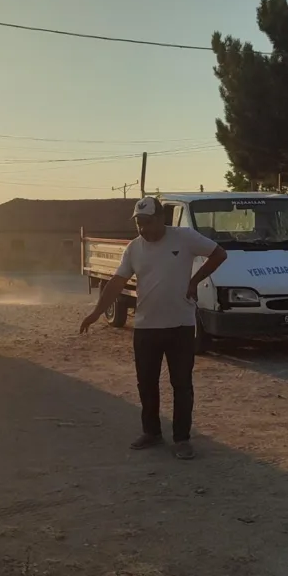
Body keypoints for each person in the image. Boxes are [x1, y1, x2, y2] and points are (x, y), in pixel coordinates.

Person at [79, 197, 228, 460]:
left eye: (147, 222)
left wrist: (194, 281)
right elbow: (117, 282)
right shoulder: (134, 248)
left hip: (180, 326)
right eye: (139, 223)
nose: (143, 229)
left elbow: (219, 253)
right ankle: (152, 432)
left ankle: (182, 439)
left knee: (181, 385)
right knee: (146, 383)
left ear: (161, 219)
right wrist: (96, 312)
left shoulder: (184, 238)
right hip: (146, 327)